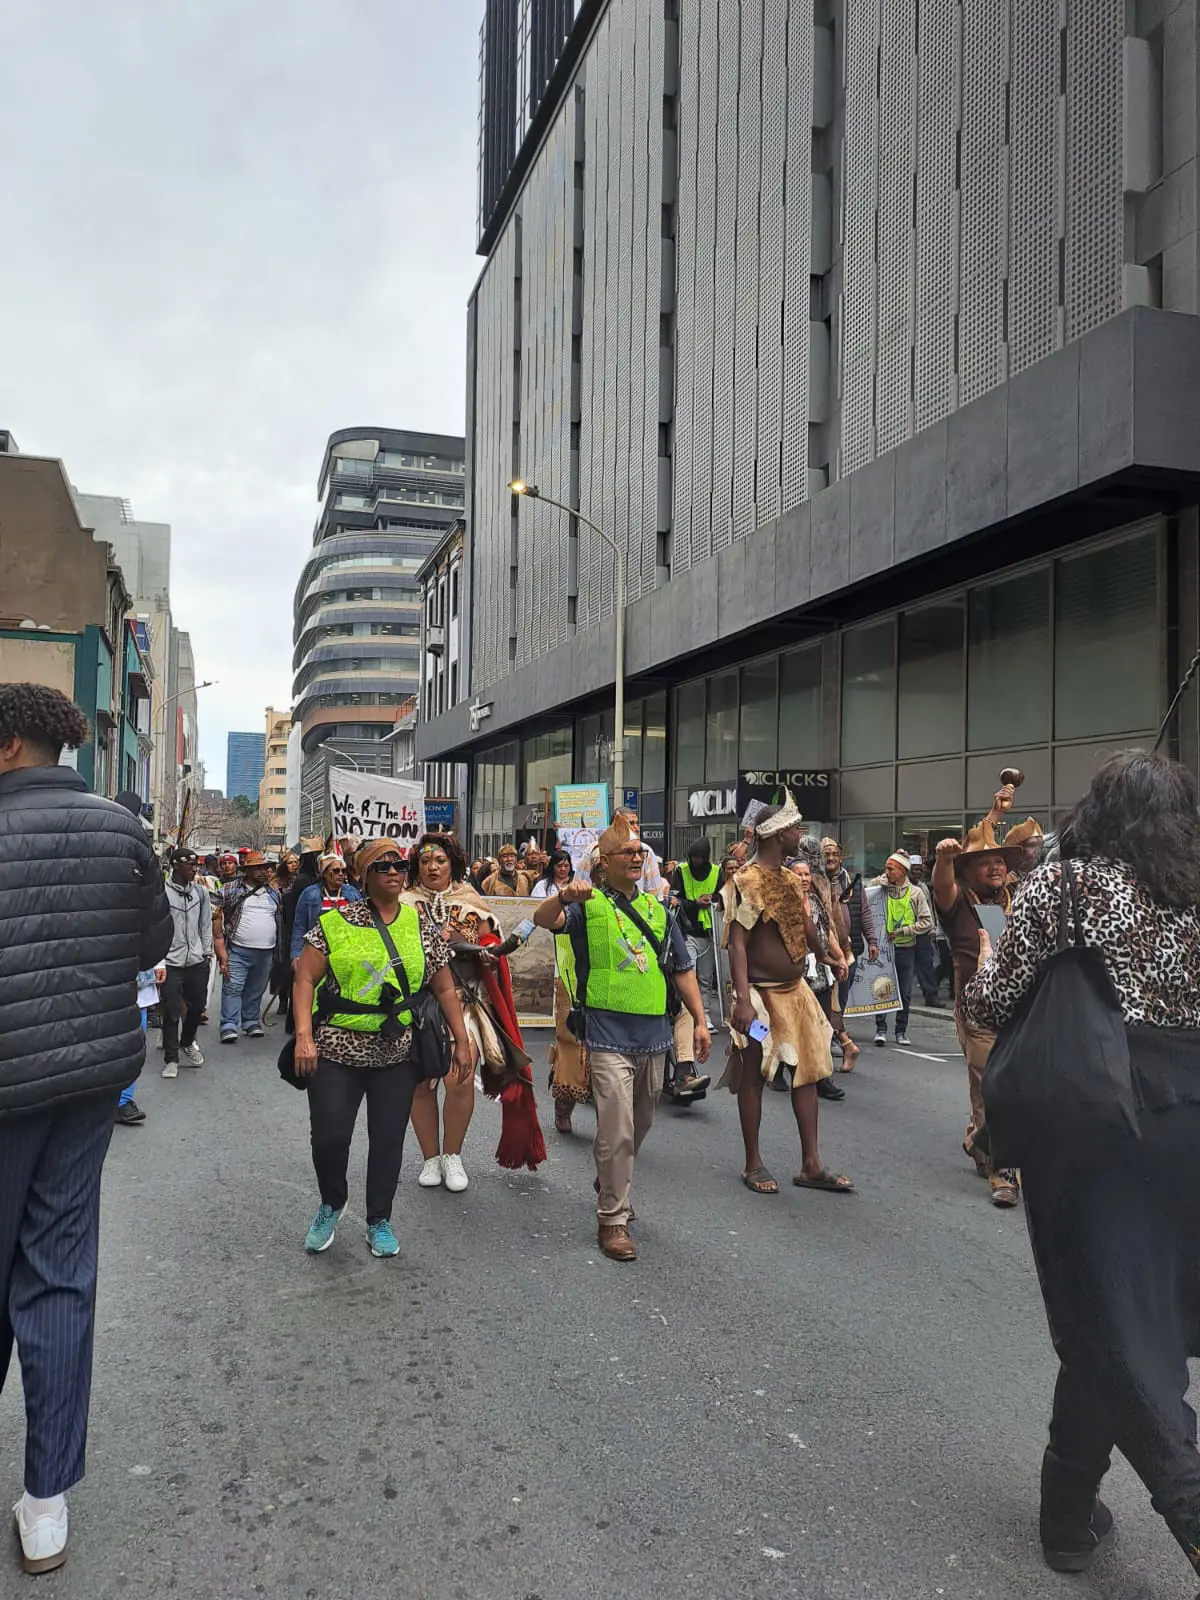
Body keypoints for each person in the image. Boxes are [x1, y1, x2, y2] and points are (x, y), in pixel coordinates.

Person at [959, 751, 1200, 1586]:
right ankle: (1065, 1512)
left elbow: (988, 1005)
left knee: (1107, 1321)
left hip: (1095, 1122)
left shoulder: (1065, 888)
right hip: (1189, 1122)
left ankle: (1186, 1504)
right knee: (1128, 1313)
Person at [0, 684, 172, 1575]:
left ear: (6, 747)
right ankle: (46, 1501)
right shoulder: (123, 831)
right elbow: (152, 942)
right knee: (61, 1274)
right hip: (90, 1082)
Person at [533, 813, 711, 1260]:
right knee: (618, 1128)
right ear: (604, 862)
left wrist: (702, 1020)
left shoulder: (658, 908)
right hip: (607, 1034)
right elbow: (542, 918)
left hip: (654, 1036)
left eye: (640, 852)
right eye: (628, 852)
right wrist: (562, 897)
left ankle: (611, 1172)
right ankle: (612, 1216)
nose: (637, 857)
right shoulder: (587, 904)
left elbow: (683, 969)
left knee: (640, 1124)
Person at [291, 836, 473, 1257]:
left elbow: (444, 986)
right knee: (330, 1138)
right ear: (362, 875)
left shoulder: (419, 924)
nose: (394, 872)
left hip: (397, 1052)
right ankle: (332, 1203)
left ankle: (379, 1219)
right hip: (337, 1048)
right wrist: (304, 1036)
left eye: (398, 865)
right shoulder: (334, 923)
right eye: (382, 866)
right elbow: (304, 980)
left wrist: (461, 1040)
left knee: (388, 1139)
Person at [721, 793, 853, 1197]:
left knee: (808, 1073)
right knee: (754, 1073)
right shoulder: (747, 881)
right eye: (796, 828)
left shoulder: (786, 879)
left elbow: (803, 929)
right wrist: (742, 1001)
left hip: (796, 996)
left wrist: (829, 957)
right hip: (759, 1001)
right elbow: (738, 943)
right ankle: (752, 1163)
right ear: (778, 834)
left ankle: (811, 1164)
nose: (801, 835)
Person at [404, 833, 545, 1189]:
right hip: (418, 1007)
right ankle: (430, 1159)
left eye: (439, 860)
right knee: (421, 1084)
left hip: (462, 1004)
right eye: (425, 861)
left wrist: (485, 949)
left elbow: (489, 939)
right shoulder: (402, 901)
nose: (432, 867)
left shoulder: (470, 899)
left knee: (459, 1078)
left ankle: (452, 1156)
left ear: (452, 863)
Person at [932, 788, 1043, 1208]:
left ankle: (980, 1140)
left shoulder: (1015, 897)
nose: (996, 867)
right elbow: (943, 882)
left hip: (1018, 1006)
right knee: (991, 1083)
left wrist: (997, 814)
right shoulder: (957, 902)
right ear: (970, 870)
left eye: (1000, 861)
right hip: (976, 1007)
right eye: (986, 862)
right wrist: (945, 858)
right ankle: (1003, 1172)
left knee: (1021, 1083)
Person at [789, 858, 849, 1103]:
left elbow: (828, 933)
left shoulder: (814, 902)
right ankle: (785, 1069)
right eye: (798, 874)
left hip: (820, 974)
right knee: (795, 1029)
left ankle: (823, 1078)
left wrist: (840, 958)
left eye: (806, 875)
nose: (804, 879)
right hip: (793, 976)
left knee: (823, 1027)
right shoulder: (782, 904)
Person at [213, 850, 281, 1044]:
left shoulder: (273, 893)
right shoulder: (230, 889)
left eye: (265, 868)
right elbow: (213, 907)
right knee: (233, 987)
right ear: (248, 871)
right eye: (258, 869)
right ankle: (228, 1025)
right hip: (238, 950)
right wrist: (218, 937)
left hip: (266, 952)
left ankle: (251, 1022)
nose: (264, 872)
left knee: (256, 989)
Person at [821, 839, 878, 1068]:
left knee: (839, 1000)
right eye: (826, 854)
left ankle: (838, 1039)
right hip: (821, 953)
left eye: (835, 853)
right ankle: (838, 1041)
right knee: (823, 999)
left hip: (849, 952)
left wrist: (871, 940)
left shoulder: (851, 881)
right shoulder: (815, 880)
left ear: (841, 857)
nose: (831, 858)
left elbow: (864, 911)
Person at [159, 847, 213, 1080]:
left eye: (196, 865)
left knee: (197, 1007)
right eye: (190, 865)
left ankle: (187, 1041)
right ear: (175, 866)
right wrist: (158, 961)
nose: (195, 869)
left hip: (196, 960)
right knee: (171, 1012)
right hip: (170, 960)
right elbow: (155, 928)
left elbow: (206, 925)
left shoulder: (201, 893)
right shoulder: (161, 893)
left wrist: (207, 953)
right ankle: (171, 1059)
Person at [869, 852, 931, 1048]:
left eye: (890, 869)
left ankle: (901, 1031)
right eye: (885, 868)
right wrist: (879, 881)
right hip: (884, 949)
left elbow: (927, 921)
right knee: (882, 988)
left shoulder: (916, 894)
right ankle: (880, 1029)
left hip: (906, 948)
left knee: (904, 992)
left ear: (903, 871)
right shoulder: (881, 888)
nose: (886, 872)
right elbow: (865, 896)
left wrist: (904, 930)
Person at [669, 839, 723, 1027]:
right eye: (693, 858)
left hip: (708, 932)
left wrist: (712, 899)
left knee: (706, 977)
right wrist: (695, 904)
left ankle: (705, 1014)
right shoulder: (681, 871)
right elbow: (675, 899)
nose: (696, 862)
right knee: (688, 973)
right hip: (687, 931)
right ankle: (688, 1014)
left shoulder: (717, 872)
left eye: (700, 859)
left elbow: (721, 896)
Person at [290, 851, 362, 959]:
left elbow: (362, 925)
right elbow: (300, 927)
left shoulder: (352, 893)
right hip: (317, 953)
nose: (341, 874)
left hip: (347, 953)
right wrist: (296, 956)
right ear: (324, 873)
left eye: (343, 870)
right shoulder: (310, 894)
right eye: (336, 870)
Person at [908, 855, 943, 1005]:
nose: (917, 872)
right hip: (906, 933)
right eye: (914, 869)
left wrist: (933, 929)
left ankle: (931, 996)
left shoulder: (923, 888)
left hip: (923, 932)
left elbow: (930, 911)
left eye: (919, 869)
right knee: (905, 968)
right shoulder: (901, 887)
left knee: (926, 966)